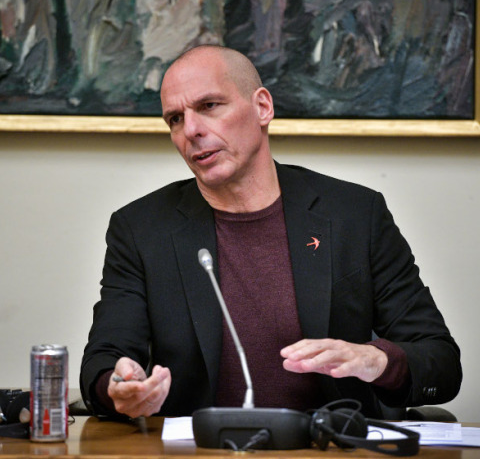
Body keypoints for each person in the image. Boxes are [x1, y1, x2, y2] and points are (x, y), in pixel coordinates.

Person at [80, 45, 461, 420]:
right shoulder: (141, 229)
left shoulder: (354, 215)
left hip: (327, 444)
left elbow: (441, 362)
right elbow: (103, 361)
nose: (191, 130)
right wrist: (118, 387)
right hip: (200, 447)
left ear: (262, 107)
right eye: (175, 119)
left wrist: (375, 360)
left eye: (209, 106)